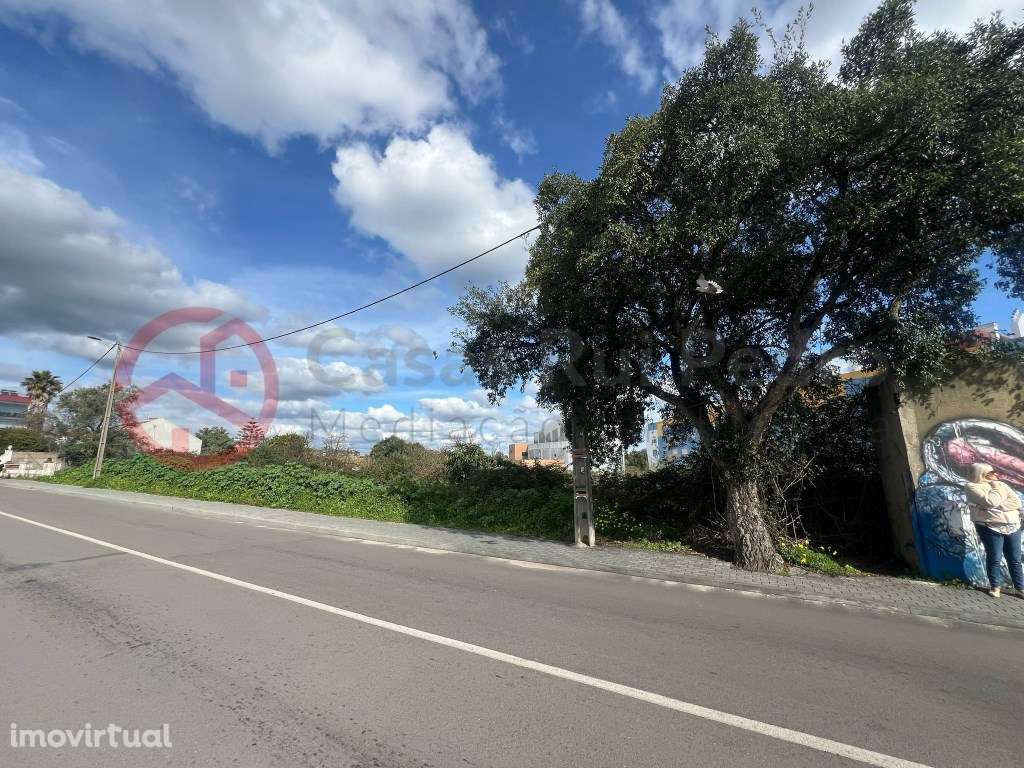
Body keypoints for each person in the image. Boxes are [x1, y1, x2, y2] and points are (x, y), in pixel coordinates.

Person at [964, 462, 1023, 598]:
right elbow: (991, 502)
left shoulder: (1002, 484)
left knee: (1014, 558)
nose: (996, 474)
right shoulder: (972, 486)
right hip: (989, 526)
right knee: (995, 557)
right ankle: (995, 587)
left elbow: (1016, 503)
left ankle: (1020, 588)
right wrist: (995, 487)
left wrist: (996, 507)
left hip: (1013, 524)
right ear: (982, 474)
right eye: (992, 473)